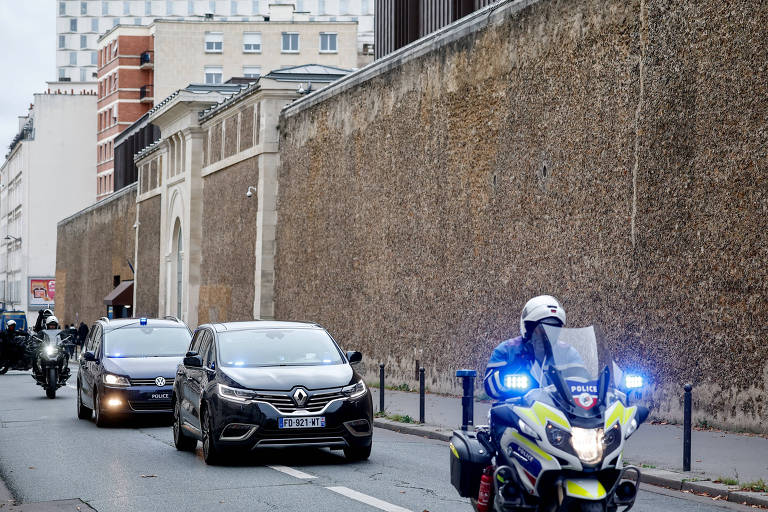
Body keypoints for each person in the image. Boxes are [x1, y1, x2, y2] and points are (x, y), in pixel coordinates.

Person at [483, 295, 568, 400]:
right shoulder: (507, 350)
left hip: (557, 410)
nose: (547, 334)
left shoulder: (567, 352)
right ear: (528, 328)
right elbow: (490, 386)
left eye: (553, 329)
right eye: (541, 328)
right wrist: (509, 377)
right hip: (516, 408)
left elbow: (583, 381)